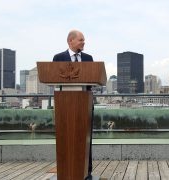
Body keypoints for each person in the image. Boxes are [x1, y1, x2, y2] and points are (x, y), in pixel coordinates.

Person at [53, 30, 94, 180]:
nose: (84, 42)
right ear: (70, 41)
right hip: (65, 106)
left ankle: (86, 172)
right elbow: (53, 78)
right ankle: (64, 171)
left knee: (86, 139)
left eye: (84, 40)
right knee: (65, 138)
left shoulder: (89, 58)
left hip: (85, 105)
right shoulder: (58, 58)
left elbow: (93, 79)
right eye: (81, 40)